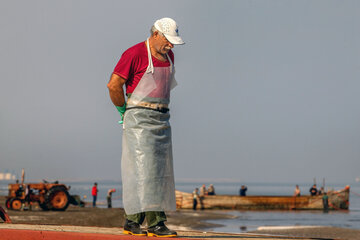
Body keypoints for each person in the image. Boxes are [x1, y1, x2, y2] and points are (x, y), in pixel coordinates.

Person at [107, 17, 184, 237]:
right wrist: (123, 110)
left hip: (161, 118)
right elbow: (114, 84)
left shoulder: (170, 56)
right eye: (168, 40)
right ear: (156, 34)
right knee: (147, 169)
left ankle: (132, 221)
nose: (170, 45)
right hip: (139, 117)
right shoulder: (134, 53)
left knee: (154, 169)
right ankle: (156, 223)